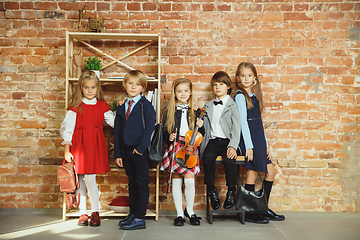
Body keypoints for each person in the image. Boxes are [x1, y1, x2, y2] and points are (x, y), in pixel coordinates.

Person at [60, 70, 115, 227]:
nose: (90, 91)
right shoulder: (75, 107)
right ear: (81, 89)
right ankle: (83, 213)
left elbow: (114, 122)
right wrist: (66, 149)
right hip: (78, 146)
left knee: (91, 179)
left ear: (97, 88)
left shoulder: (102, 106)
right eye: (86, 88)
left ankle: (95, 212)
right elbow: (68, 130)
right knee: (80, 182)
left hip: (94, 146)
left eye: (93, 87)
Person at [234, 62, 285, 224]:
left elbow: (258, 123)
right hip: (249, 140)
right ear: (238, 78)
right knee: (253, 171)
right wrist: (249, 146)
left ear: (254, 78)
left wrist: (266, 145)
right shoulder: (240, 96)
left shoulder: (255, 96)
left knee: (271, 172)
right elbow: (243, 122)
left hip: (259, 139)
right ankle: (248, 212)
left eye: (249, 75)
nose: (246, 78)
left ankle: (262, 207)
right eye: (243, 75)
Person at [114, 70, 156, 230]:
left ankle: (140, 217)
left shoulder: (146, 106)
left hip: (140, 152)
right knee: (132, 183)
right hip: (126, 151)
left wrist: (140, 149)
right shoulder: (122, 105)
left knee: (141, 183)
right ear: (125, 85)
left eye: (137, 84)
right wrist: (118, 153)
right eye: (130, 83)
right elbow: (117, 131)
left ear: (143, 88)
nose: (133, 87)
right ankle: (133, 213)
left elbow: (149, 129)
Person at [160, 78, 204, 226]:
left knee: (190, 181)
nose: (183, 94)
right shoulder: (169, 112)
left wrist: (200, 125)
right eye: (179, 91)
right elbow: (165, 135)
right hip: (176, 148)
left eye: (186, 91)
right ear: (174, 93)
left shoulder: (196, 112)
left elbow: (200, 136)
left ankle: (190, 211)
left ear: (190, 93)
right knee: (177, 181)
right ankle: (179, 213)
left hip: (190, 148)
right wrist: (169, 137)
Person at [200, 71, 241, 211]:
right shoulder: (208, 105)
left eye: (221, 84)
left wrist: (233, 146)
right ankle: (212, 191)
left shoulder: (232, 105)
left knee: (229, 160)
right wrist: (197, 118)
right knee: (206, 158)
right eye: (215, 85)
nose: (218, 87)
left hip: (227, 141)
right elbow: (204, 127)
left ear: (228, 86)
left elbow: (236, 128)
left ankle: (231, 191)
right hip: (213, 141)